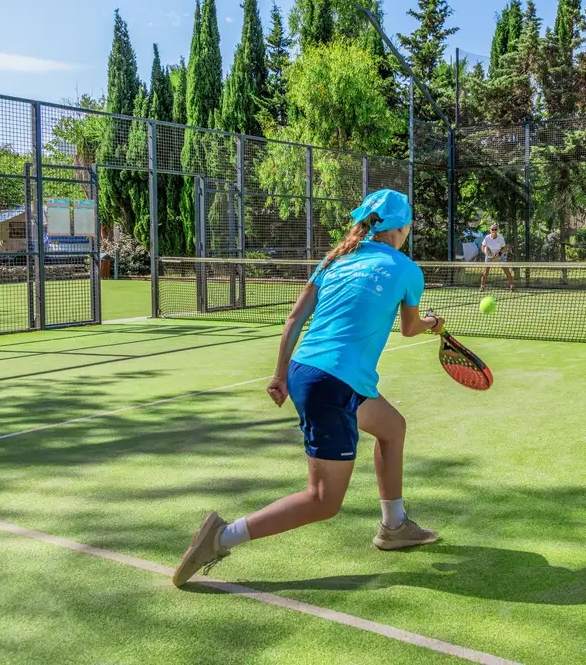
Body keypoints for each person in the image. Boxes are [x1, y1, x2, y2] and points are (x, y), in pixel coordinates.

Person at [172, 189, 445, 588]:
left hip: (310, 373)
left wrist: (280, 374)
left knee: (392, 427)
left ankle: (394, 526)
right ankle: (220, 536)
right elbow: (408, 328)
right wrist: (433, 323)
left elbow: (295, 318)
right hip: (332, 385)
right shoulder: (406, 269)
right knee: (322, 500)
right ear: (401, 228)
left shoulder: (335, 257)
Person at [479, 223, 516, 292]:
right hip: (489, 256)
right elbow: (483, 247)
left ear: (497, 230)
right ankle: (482, 286)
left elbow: (503, 248)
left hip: (499, 256)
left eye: (495, 229)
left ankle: (511, 286)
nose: (494, 231)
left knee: (507, 271)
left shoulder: (500, 237)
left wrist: (499, 254)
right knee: (485, 272)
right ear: (490, 230)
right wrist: (487, 254)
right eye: (492, 229)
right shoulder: (487, 238)